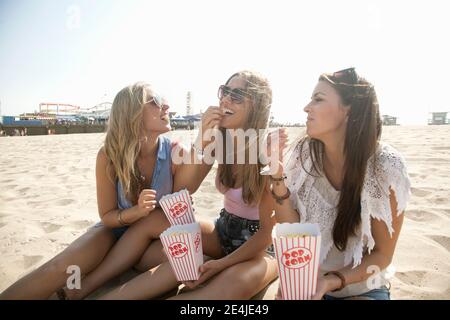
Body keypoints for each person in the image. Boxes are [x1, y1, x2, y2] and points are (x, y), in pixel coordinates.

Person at [0, 82, 207, 300]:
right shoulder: (109, 155)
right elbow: (107, 216)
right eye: (156, 101)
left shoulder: (176, 152)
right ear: (133, 113)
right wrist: (135, 212)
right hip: (113, 233)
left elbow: (185, 196)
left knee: (186, 262)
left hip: (152, 241)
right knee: (60, 268)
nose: (166, 106)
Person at [98, 70, 285, 300]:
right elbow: (186, 187)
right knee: (153, 220)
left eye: (236, 95)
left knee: (233, 286)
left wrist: (220, 264)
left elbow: (267, 233)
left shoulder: (266, 151)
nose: (225, 99)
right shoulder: (219, 141)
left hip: (259, 248)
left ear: (257, 105)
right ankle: (96, 291)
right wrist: (203, 137)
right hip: (223, 231)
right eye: (224, 92)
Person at [269, 68, 411, 300]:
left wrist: (330, 281)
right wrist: (277, 177)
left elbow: (383, 254)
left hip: (363, 288)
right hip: (308, 284)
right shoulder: (305, 155)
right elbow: (294, 229)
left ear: (349, 110)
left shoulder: (385, 165)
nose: (307, 107)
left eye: (318, 99)